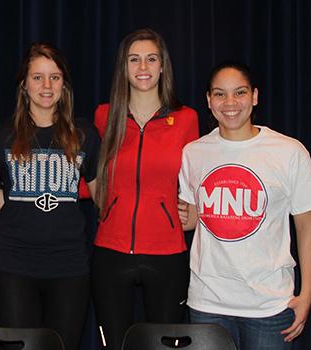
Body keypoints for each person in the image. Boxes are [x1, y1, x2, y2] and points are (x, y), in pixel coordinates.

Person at [178, 61, 311, 349]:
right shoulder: (194, 153)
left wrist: (306, 295)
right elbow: (194, 218)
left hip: (269, 306)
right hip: (208, 303)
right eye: (220, 94)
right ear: (209, 101)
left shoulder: (288, 152)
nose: (230, 102)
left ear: (255, 96)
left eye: (240, 92)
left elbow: (307, 227)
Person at [0, 42, 100, 350]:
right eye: (38, 77)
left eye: (55, 77)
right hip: (15, 266)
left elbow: (102, 191)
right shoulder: (2, 135)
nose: (46, 86)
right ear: (24, 85)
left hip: (69, 267)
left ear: (64, 84)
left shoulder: (85, 135)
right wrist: (12, 202)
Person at [90, 28, 199, 350]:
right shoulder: (104, 116)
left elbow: (200, 179)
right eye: (134, 59)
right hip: (111, 251)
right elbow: (85, 173)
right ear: (123, 67)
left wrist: (195, 212)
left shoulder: (186, 119)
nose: (143, 67)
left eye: (151, 59)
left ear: (163, 65)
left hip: (167, 253)